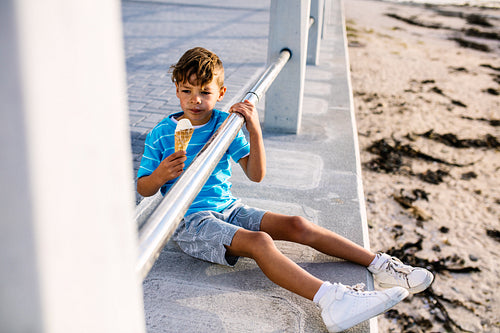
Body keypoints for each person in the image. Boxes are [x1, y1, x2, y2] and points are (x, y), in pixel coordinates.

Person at [137, 47, 433, 332]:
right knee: (260, 242)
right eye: (187, 91)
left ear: (221, 93)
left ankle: (381, 265)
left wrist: (254, 129)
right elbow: (144, 187)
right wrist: (162, 174)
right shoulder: (161, 134)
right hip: (191, 221)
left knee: (297, 224)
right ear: (176, 89)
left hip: (228, 208)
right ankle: (332, 301)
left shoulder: (224, 124)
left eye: (205, 92)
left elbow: (256, 174)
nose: (195, 100)